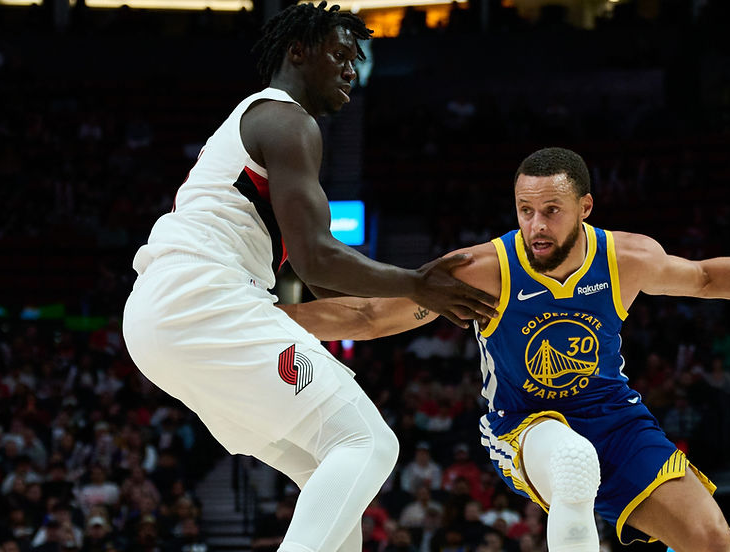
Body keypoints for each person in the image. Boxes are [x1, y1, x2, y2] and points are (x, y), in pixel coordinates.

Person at [278, 147, 730, 552]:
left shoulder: (625, 257)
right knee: (574, 466)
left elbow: (705, 278)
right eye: (525, 211)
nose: (536, 226)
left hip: (614, 417)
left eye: (551, 211)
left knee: (714, 541)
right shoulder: (482, 270)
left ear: (585, 208)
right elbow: (370, 315)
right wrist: (269, 318)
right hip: (526, 427)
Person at [121, 3, 497, 552]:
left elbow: (328, 289)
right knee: (371, 443)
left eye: (357, 60)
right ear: (298, 52)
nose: (352, 69)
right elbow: (318, 260)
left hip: (164, 319)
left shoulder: (261, 124)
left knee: (330, 464)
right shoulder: (286, 118)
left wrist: (421, 300)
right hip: (202, 299)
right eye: (340, 55)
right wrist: (418, 284)